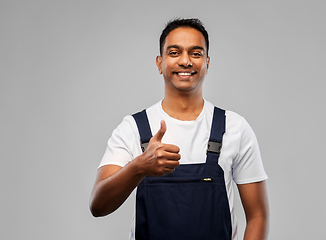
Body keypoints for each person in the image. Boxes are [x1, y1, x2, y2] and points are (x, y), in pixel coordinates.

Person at [90, 18, 269, 240]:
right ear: (159, 62)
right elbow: (98, 206)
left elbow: (257, 216)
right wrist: (139, 167)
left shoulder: (234, 128)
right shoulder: (133, 128)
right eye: (174, 52)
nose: (186, 61)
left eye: (196, 53)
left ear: (207, 62)